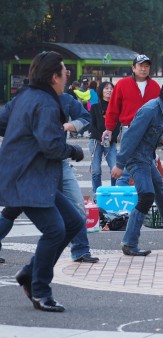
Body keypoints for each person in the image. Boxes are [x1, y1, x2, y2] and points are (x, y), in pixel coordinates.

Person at [0, 51, 85, 312]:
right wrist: (73, 151)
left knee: (74, 221)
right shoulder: (46, 104)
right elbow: (51, 147)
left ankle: (29, 273)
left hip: (28, 176)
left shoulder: (25, 96)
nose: (66, 75)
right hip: (29, 179)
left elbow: (3, 122)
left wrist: (21, 138)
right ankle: (40, 290)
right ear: (53, 77)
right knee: (56, 230)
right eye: (64, 71)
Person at [0, 91, 101, 264]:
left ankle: (80, 251)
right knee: (14, 210)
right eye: (61, 72)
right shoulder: (26, 98)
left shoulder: (66, 99)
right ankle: (34, 273)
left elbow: (86, 117)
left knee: (76, 206)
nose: (65, 77)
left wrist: (70, 125)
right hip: (31, 166)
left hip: (59, 161)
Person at [111, 76, 163, 256]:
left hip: (147, 157)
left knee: (157, 184)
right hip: (135, 159)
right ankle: (129, 243)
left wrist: (162, 139)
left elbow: (151, 134)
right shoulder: (149, 110)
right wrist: (119, 164)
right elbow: (130, 137)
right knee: (146, 196)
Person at [102, 54, 161, 186]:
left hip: (149, 131)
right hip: (129, 129)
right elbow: (113, 108)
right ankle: (119, 198)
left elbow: (161, 110)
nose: (144, 69)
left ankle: (147, 196)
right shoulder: (122, 84)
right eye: (141, 66)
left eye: (147, 66)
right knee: (126, 165)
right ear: (133, 68)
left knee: (148, 162)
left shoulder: (155, 87)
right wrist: (109, 129)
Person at [89, 81, 118, 194]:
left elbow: (118, 125)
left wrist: (111, 137)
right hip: (96, 141)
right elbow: (91, 126)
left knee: (115, 169)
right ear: (101, 91)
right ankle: (97, 196)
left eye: (111, 88)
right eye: (106, 88)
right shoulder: (95, 107)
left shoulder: (116, 107)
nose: (109, 90)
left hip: (111, 141)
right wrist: (101, 137)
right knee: (96, 170)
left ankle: (115, 193)